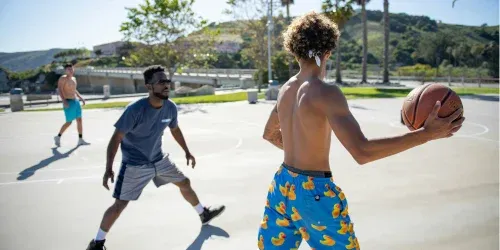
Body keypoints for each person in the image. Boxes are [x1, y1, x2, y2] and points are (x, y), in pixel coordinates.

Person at [257, 12, 464, 250]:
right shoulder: (325, 92)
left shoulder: (286, 89)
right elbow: (362, 152)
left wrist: (301, 151)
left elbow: (269, 134)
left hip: (282, 184)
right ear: (328, 51)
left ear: (294, 50)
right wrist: (425, 134)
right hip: (313, 194)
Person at [86, 65, 225, 250]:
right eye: (161, 82)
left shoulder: (170, 107)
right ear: (149, 87)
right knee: (120, 205)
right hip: (135, 165)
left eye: (167, 81)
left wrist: (186, 151)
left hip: (159, 160)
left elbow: (174, 129)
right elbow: (116, 138)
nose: (166, 85)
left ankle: (203, 214)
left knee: (184, 182)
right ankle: (97, 243)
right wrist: (108, 168)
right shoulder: (135, 110)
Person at [53, 63, 87, 147]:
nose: (70, 70)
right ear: (65, 71)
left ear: (73, 69)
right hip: (68, 101)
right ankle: (58, 137)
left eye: (71, 69)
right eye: (68, 69)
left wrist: (81, 98)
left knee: (79, 120)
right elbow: (60, 90)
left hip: (75, 101)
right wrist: (64, 101)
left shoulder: (74, 79)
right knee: (69, 122)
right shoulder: (62, 79)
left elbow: (74, 90)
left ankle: (80, 139)